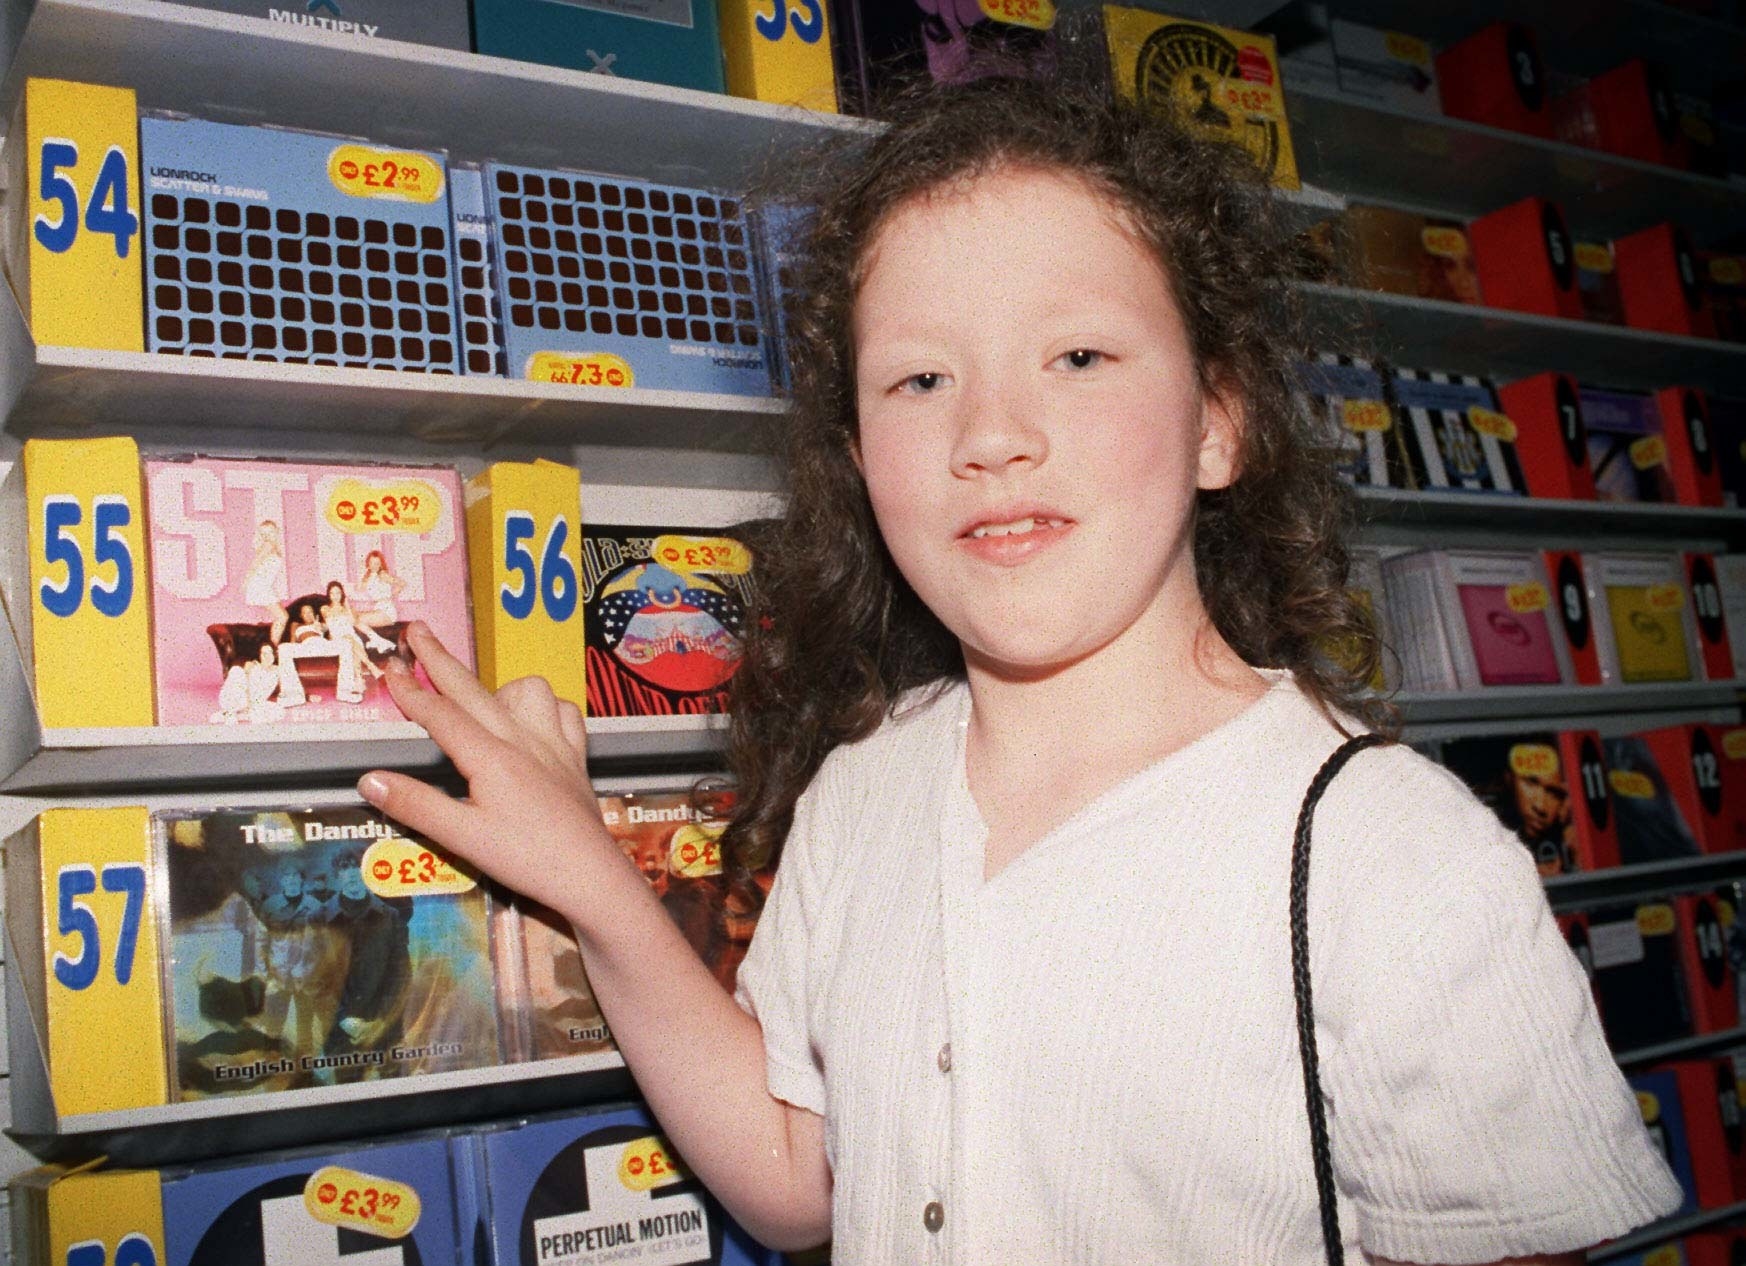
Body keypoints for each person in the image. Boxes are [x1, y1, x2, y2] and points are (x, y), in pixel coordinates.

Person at [359, 79, 1679, 1264]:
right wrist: (588, 871)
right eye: (920, 376)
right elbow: (791, 1180)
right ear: (858, 459)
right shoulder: (864, 791)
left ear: (1218, 422)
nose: (989, 433)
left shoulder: (1389, 859)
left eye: (1079, 357)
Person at [355, 549, 407, 633]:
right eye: (371, 562)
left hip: (387, 611)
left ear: (380, 565)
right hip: (378, 609)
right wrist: (362, 570)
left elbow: (403, 583)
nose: (373, 566)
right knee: (354, 617)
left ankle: (378, 641)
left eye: (377, 563)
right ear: (368, 563)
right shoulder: (368, 578)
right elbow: (358, 588)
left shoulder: (382, 575)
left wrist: (390, 595)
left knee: (359, 619)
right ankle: (377, 641)